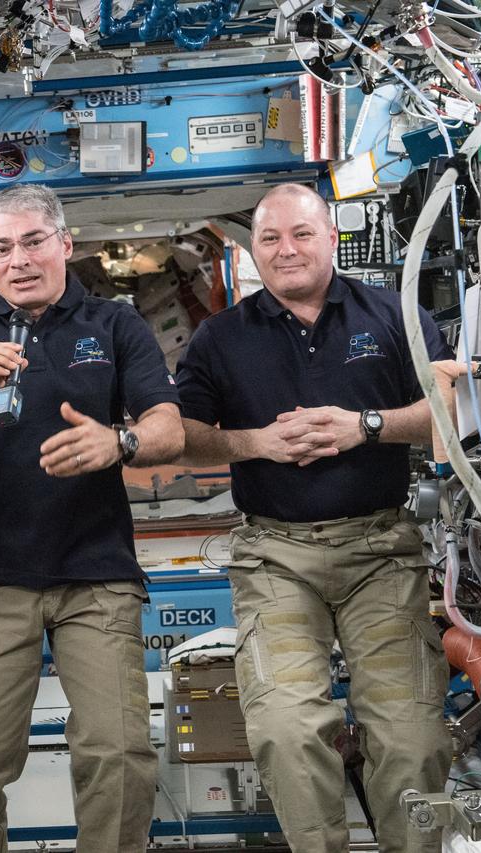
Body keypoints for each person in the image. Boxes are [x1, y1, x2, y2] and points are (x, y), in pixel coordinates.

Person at [0, 183, 184, 853]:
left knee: (119, 755)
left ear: (65, 243)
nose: (18, 260)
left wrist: (119, 442)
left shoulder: (115, 325)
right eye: (1, 247)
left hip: (97, 576)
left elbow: (169, 428)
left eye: (32, 242)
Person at [175, 183, 453, 852]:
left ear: (331, 238)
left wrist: (367, 426)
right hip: (276, 556)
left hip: (381, 550)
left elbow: (450, 413)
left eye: (301, 234)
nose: (286, 250)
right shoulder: (221, 337)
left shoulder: (393, 315)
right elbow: (182, 435)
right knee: (287, 729)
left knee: (412, 738)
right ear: (255, 250)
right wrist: (257, 442)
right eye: (270, 238)